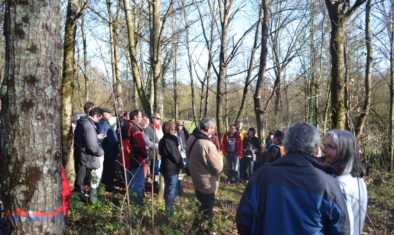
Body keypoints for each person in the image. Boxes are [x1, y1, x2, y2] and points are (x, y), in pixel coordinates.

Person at [236, 121, 350, 234]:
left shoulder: (262, 175)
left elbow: (244, 222)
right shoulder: (327, 184)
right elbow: (341, 229)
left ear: (285, 146)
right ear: (316, 148)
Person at [322, 130, 368, 235]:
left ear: (344, 151)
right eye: (324, 145)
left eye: (330, 146)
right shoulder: (357, 179)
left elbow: (344, 227)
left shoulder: (340, 184)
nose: (323, 150)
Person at [186, 117, 223, 229]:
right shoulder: (207, 144)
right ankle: (202, 230)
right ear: (210, 128)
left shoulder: (192, 138)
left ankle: (197, 228)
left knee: (201, 206)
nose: (214, 130)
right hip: (206, 181)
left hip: (196, 177)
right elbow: (218, 168)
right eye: (213, 128)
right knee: (207, 209)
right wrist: (220, 156)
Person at [74, 107, 105, 203]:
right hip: (88, 156)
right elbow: (92, 146)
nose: (99, 121)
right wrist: (101, 152)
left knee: (81, 178)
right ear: (95, 116)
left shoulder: (83, 123)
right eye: (99, 118)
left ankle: (83, 198)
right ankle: (92, 200)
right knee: (90, 178)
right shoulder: (88, 125)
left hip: (82, 154)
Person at [159, 120, 184, 216]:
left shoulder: (164, 140)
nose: (175, 130)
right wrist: (182, 164)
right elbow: (175, 155)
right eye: (173, 128)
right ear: (170, 129)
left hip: (168, 168)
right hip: (171, 169)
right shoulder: (169, 141)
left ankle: (170, 209)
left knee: (170, 190)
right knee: (170, 191)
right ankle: (169, 213)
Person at [122, 109, 148, 204]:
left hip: (126, 159)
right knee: (138, 183)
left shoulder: (125, 126)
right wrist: (144, 155)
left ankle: (130, 202)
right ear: (135, 117)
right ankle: (137, 205)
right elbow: (141, 145)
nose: (141, 119)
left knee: (130, 183)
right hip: (135, 159)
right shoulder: (134, 129)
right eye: (140, 117)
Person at [97, 108, 120, 192]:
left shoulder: (105, 123)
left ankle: (108, 186)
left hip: (111, 150)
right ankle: (108, 186)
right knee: (108, 169)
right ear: (103, 114)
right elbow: (102, 137)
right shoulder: (102, 123)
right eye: (108, 113)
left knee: (110, 169)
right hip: (108, 151)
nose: (110, 115)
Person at [144, 112, 164, 189]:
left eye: (159, 119)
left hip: (161, 152)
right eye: (157, 118)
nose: (159, 120)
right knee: (156, 170)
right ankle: (156, 184)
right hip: (154, 153)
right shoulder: (148, 129)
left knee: (160, 169)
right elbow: (146, 142)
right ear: (153, 118)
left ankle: (159, 184)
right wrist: (156, 146)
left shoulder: (160, 128)